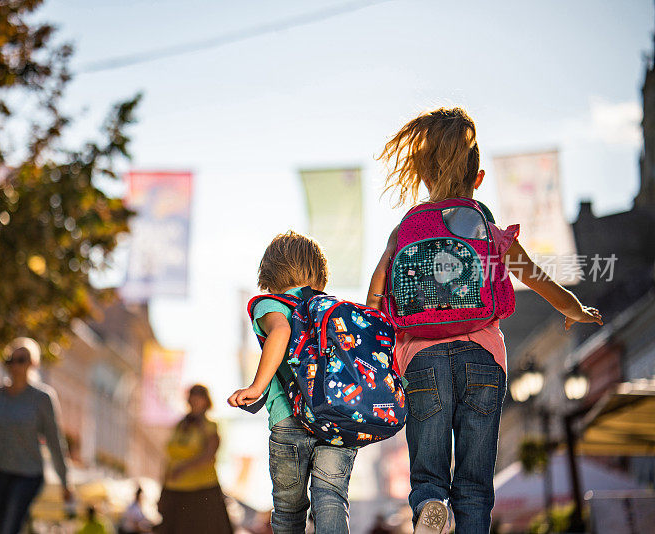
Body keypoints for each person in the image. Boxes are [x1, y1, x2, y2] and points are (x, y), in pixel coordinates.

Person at [366, 107, 602, 534]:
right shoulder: (486, 231)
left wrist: (380, 336)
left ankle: (431, 504)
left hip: (421, 358)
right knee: (475, 484)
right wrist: (573, 309)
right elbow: (536, 276)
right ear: (478, 179)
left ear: (422, 176)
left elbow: (379, 286)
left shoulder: (405, 230)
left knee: (428, 467)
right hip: (483, 358)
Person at [228, 231, 357, 534]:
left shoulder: (271, 305)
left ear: (269, 275)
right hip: (338, 418)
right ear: (320, 275)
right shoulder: (331, 309)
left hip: (289, 420)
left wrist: (256, 388)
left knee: (289, 510)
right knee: (331, 499)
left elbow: (281, 331)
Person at [0, 337, 72, 534]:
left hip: (28, 474)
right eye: (10, 360)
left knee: (9, 527)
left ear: (33, 363)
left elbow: (55, 441)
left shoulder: (42, 398)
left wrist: (65, 482)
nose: (15, 365)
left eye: (21, 359)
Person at [158, 384, 233, 534]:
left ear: (206, 401)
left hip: (202, 490)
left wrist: (183, 468)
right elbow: (168, 457)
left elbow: (209, 454)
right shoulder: (180, 425)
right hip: (174, 489)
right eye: (192, 395)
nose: (194, 400)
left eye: (198, 396)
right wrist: (164, 483)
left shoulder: (210, 426)